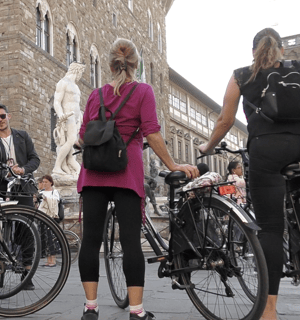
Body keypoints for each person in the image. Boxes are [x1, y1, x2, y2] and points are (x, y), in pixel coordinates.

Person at [77, 38, 198, 320]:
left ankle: (91, 308)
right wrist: (172, 163)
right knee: (131, 241)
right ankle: (136, 311)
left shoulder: (96, 95)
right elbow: (152, 133)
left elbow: (83, 135)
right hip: (126, 173)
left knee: (91, 242)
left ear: (109, 65)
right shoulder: (143, 91)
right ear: (136, 65)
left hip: (93, 173)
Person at [199, 28, 300, 320]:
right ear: (283, 50)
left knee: (271, 229)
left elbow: (225, 119)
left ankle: (269, 310)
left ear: (253, 52)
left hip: (268, 151)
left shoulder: (241, 75)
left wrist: (208, 146)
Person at [0, 103, 41, 290]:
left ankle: (27, 272)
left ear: (8, 116)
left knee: (27, 228)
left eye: (2, 116)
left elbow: (35, 159)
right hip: (2, 188)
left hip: (23, 187)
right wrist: (5, 174)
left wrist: (23, 169)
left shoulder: (22, 136)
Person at [52, 62, 85, 175]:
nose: (81, 76)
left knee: (71, 150)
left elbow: (77, 104)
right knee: (71, 141)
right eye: (81, 72)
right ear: (78, 71)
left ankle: (70, 169)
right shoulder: (63, 82)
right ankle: (57, 167)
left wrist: (80, 118)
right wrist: (61, 115)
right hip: (67, 117)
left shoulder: (75, 86)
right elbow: (57, 101)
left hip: (75, 120)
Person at [38, 174, 60, 267]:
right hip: (42, 216)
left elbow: (56, 200)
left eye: (46, 182)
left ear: (51, 183)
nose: (44, 184)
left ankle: (53, 260)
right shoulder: (41, 192)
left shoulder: (54, 192)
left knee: (51, 237)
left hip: (50, 216)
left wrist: (47, 199)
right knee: (44, 238)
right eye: (43, 182)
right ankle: (48, 259)